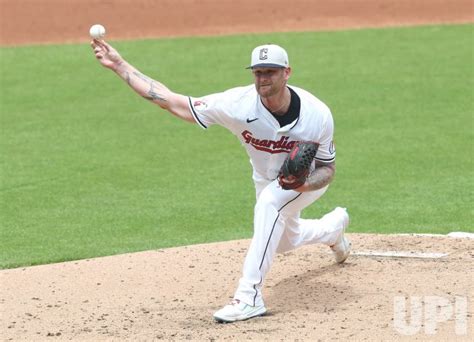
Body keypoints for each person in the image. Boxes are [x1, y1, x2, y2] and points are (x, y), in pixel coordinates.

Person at [91, 40, 351, 323]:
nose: (263, 78)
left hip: (308, 181)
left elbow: (327, 168)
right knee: (284, 240)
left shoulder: (317, 114)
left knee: (270, 203)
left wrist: (300, 184)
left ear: (287, 72)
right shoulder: (237, 105)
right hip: (265, 178)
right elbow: (172, 101)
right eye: (258, 72)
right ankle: (333, 228)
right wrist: (119, 65)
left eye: (270, 72)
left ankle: (248, 297)